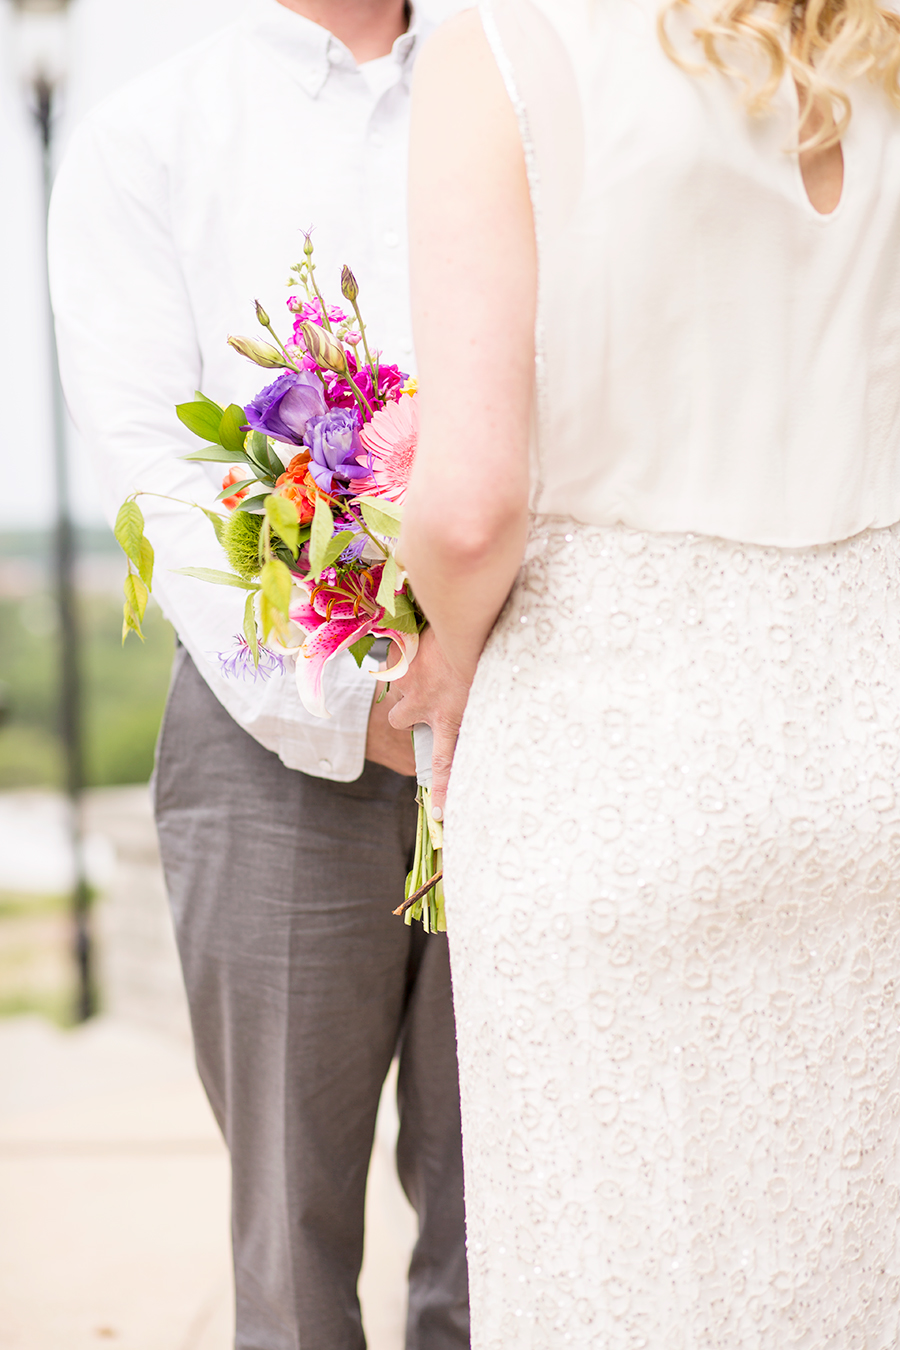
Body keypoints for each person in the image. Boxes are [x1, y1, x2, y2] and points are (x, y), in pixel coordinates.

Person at [391, 0, 900, 1343]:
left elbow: (467, 510)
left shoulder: (508, 50)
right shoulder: (877, 53)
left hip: (613, 744)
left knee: (619, 1269)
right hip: (874, 740)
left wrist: (446, 659)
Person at [48, 3, 469, 1347]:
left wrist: (482, 671)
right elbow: (164, 478)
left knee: (509, 1227)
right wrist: (367, 703)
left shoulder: (519, 91)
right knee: (289, 1245)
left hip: (523, 717)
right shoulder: (149, 137)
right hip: (270, 742)